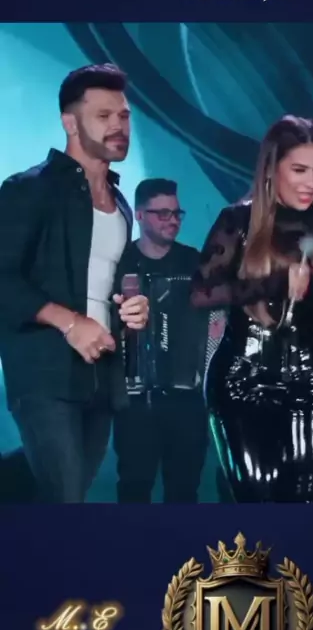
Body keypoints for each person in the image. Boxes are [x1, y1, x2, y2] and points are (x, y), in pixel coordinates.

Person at [190, 115, 313, 503]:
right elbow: (200, 293)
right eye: (299, 170)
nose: (311, 182)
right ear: (272, 167)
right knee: (259, 498)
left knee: (306, 497)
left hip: (310, 380)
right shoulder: (238, 221)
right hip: (243, 380)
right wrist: (274, 282)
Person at [0, 63, 149, 503]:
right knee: (66, 501)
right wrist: (69, 322)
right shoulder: (28, 189)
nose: (119, 126)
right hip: (44, 374)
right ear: (70, 123)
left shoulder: (121, 205)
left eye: (123, 116)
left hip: (102, 375)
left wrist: (133, 309)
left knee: (60, 494)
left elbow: (107, 285)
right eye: (103, 116)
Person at [113, 178, 218, 502]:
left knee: (185, 489)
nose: (172, 220)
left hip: (188, 398)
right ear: (140, 215)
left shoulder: (194, 261)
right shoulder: (121, 262)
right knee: (134, 486)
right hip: (135, 401)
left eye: (177, 213)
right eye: (163, 214)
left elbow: (216, 317)